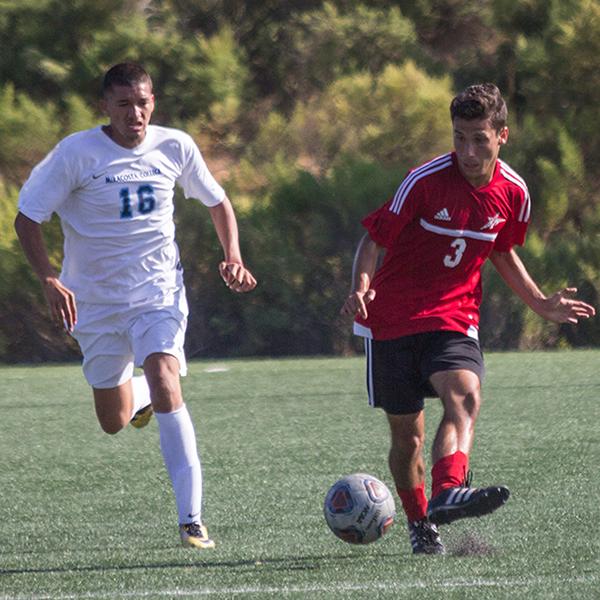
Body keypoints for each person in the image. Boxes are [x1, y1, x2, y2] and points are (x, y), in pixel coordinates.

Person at [340, 83, 595, 555]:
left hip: (454, 315)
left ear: (503, 135)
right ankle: (421, 522)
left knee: (465, 396)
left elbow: (500, 249)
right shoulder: (423, 181)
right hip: (391, 319)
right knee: (407, 440)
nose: (468, 151)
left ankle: (449, 489)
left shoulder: (514, 193)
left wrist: (539, 301)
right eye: (460, 138)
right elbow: (374, 239)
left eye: (479, 139)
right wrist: (359, 287)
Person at [15, 62, 257, 549]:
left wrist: (232, 254)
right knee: (113, 421)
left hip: (158, 293)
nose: (135, 113)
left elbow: (217, 201)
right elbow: (27, 219)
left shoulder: (175, 145)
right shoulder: (76, 154)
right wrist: (49, 277)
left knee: (168, 376)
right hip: (95, 305)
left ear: (153, 102)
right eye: (123, 104)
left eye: (142, 102)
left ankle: (192, 520)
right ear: (104, 106)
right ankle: (139, 392)